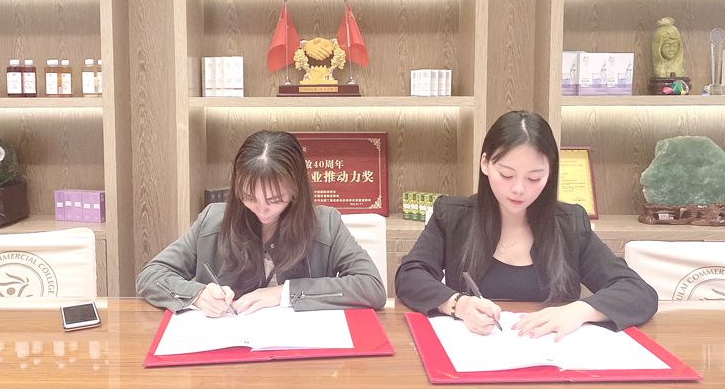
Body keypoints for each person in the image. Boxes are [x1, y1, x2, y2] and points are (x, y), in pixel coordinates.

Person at [395, 111, 657, 341]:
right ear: (485, 163)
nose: (518, 189)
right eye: (506, 175)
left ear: (550, 173)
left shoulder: (569, 224)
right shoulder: (453, 216)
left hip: (552, 358)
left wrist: (579, 311)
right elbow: (409, 276)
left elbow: (638, 292)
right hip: (477, 352)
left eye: (534, 178)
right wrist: (457, 305)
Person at [136, 130, 386, 316]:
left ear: (295, 190)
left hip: (301, 353)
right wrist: (198, 295)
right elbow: (151, 275)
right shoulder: (213, 220)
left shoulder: (326, 224)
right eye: (249, 197)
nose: (262, 210)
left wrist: (284, 292)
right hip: (228, 352)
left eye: (275, 199)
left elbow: (372, 287)